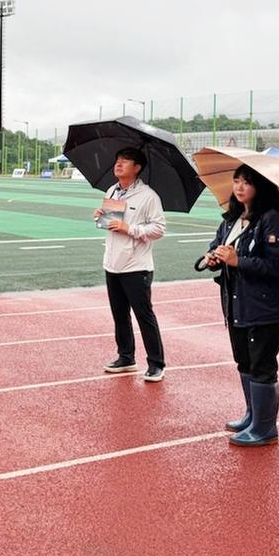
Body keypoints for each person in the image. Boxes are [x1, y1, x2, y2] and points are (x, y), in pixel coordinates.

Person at [203, 164, 279, 447]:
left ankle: (265, 428)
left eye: (247, 182)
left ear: (260, 187)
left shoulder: (272, 220)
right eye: (236, 181)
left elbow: (278, 267)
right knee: (244, 361)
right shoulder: (231, 219)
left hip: (265, 309)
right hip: (236, 304)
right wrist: (212, 257)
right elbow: (218, 246)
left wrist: (238, 261)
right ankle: (252, 415)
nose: (239, 187)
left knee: (262, 366)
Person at [94, 147, 167, 381]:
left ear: (137, 168)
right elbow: (112, 224)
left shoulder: (148, 196)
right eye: (117, 160)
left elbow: (159, 228)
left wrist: (130, 229)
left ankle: (156, 363)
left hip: (136, 266)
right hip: (113, 262)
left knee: (144, 315)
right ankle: (126, 356)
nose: (118, 164)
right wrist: (102, 217)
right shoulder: (112, 191)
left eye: (125, 161)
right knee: (119, 314)